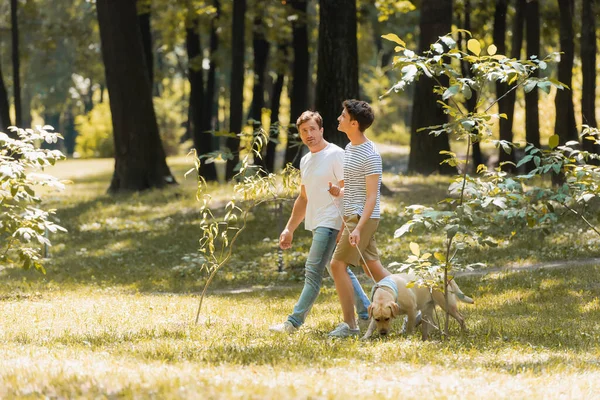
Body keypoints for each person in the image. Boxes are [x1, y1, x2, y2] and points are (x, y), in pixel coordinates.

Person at [269, 111, 371, 334]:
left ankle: (292, 323)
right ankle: (366, 311)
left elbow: (350, 191)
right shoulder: (306, 160)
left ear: (322, 130)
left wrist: (345, 226)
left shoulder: (335, 154)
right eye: (304, 131)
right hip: (318, 223)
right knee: (337, 269)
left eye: (313, 129)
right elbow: (304, 198)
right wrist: (289, 228)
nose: (309, 134)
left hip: (332, 222)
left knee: (312, 271)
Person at [327, 99, 392, 338]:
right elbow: (355, 189)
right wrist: (339, 191)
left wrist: (358, 228)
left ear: (354, 123)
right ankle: (410, 306)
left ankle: (350, 325)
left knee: (336, 265)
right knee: (371, 267)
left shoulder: (371, 154)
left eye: (343, 116)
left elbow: (372, 197)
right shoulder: (349, 149)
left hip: (362, 218)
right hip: (352, 215)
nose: (339, 119)